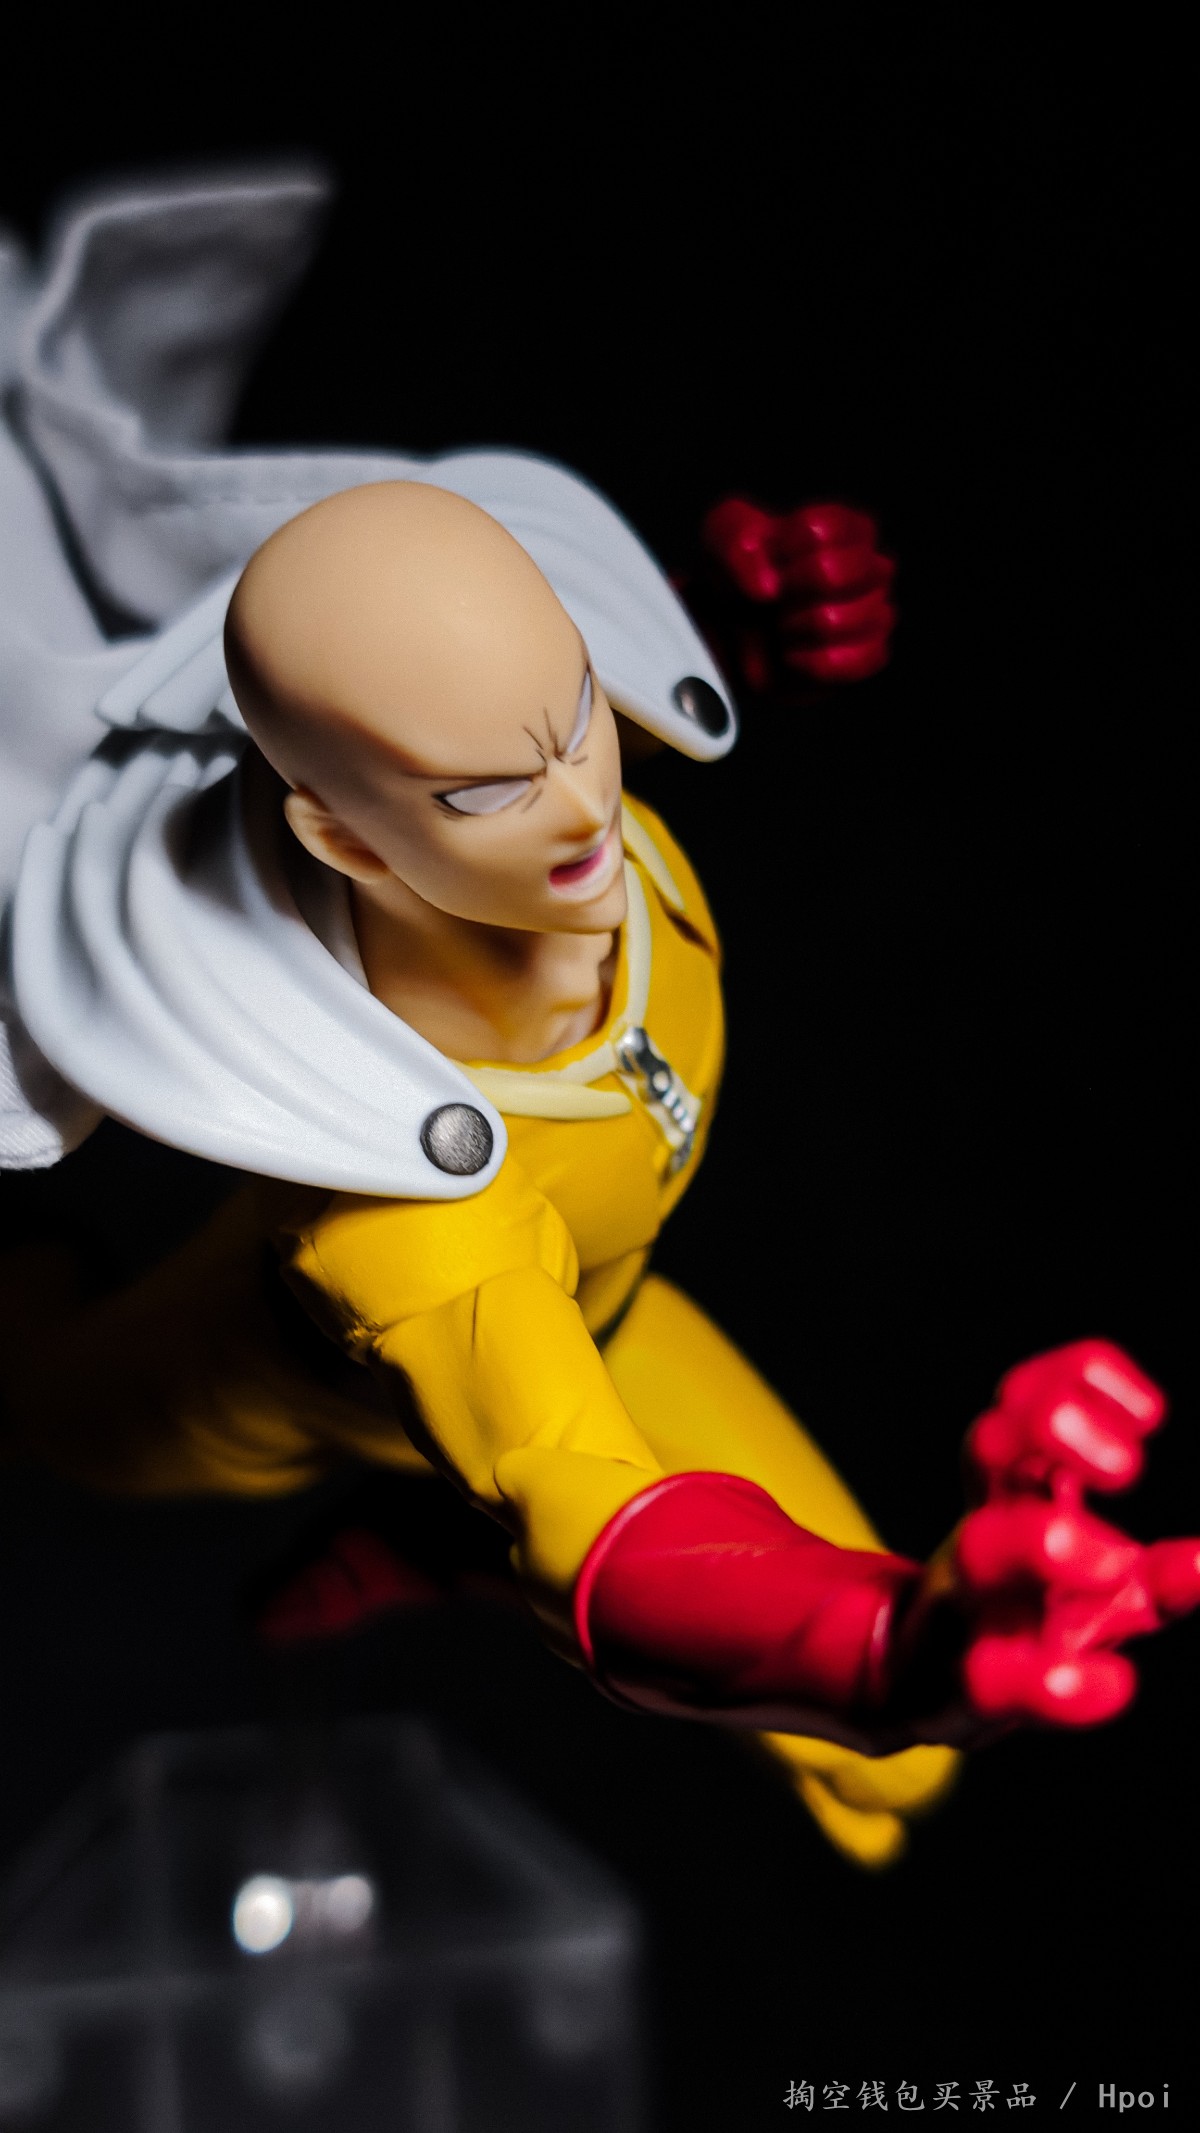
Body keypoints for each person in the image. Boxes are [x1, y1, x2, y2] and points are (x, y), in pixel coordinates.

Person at [7, 479, 1197, 1872]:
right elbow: (594, 1513)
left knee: (902, 1783)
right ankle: (424, 1518)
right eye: (488, 790)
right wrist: (874, 1648)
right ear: (347, 840)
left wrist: (729, 632)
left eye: (580, 713)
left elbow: (549, 706)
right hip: (250, 1381)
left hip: (611, 1316)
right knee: (40, 1392)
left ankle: (435, 1541)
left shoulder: (568, 839)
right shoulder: (403, 1217)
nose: (585, 805)